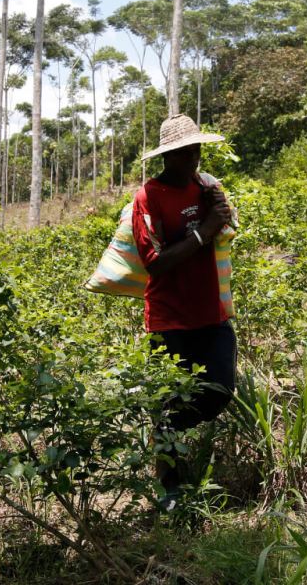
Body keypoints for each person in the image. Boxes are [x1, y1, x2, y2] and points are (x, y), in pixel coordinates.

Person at [131, 114, 237, 510]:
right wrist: (205, 229)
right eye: (184, 151)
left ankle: (169, 431)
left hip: (212, 311)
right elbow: (154, 262)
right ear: (168, 156)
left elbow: (226, 230)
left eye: (197, 149)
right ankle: (170, 489)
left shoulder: (207, 187)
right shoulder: (149, 196)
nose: (194, 157)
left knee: (221, 390)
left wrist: (219, 215)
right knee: (169, 397)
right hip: (169, 318)